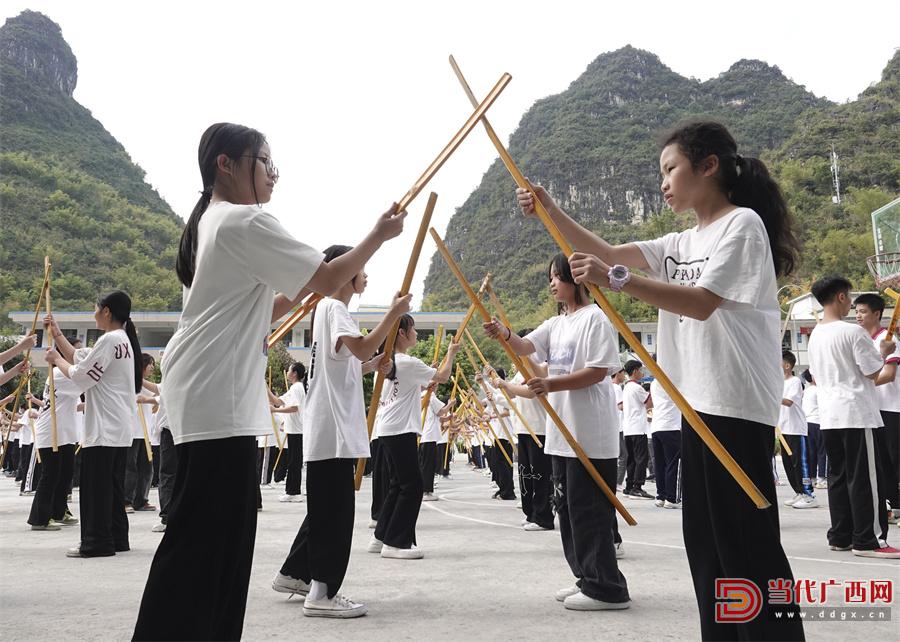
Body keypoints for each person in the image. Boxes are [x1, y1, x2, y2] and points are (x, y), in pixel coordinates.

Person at [520, 120, 804, 638]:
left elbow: (700, 303)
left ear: (708, 166)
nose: (664, 182)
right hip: (693, 408)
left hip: (735, 408)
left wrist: (618, 281)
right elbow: (605, 254)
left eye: (670, 169)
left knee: (748, 546)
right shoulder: (679, 240)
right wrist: (549, 209)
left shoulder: (742, 226)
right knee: (707, 547)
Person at [133, 123, 407, 639]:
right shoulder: (242, 221)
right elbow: (328, 277)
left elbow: (251, 309)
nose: (271, 173)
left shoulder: (213, 223)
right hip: (217, 399)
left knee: (219, 541)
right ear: (226, 164)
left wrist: (295, 294)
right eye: (263, 161)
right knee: (203, 544)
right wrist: (378, 235)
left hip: (206, 395)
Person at [484, 252, 628, 611]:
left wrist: (551, 384)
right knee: (566, 507)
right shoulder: (556, 323)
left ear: (575, 279)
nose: (551, 283)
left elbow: (598, 371)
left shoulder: (595, 319)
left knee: (589, 510)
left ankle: (607, 588)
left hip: (590, 434)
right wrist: (503, 333)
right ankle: (585, 577)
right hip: (561, 435)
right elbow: (524, 346)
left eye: (556, 276)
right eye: (549, 277)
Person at [273, 244, 411, 618]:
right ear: (345, 273)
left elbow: (346, 363)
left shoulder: (325, 311)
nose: (364, 275)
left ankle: (300, 577)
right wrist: (393, 314)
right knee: (336, 516)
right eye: (360, 269)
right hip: (333, 431)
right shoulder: (334, 308)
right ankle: (323, 593)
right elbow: (364, 345)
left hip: (328, 429)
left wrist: (371, 366)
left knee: (326, 511)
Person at [44, 290, 142, 559]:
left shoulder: (110, 340)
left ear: (107, 311)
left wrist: (55, 361)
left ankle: (96, 541)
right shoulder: (121, 340)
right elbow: (81, 357)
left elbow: (81, 375)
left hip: (103, 427)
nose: (94, 313)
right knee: (112, 488)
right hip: (119, 427)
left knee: (95, 490)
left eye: (96, 308)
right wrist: (58, 334)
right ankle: (116, 537)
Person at [808, 277, 898, 558]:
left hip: (829, 416)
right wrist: (883, 352)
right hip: (857, 414)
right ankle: (869, 540)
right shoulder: (852, 333)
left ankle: (841, 534)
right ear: (841, 297)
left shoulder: (816, 334)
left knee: (838, 476)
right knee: (866, 478)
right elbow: (873, 373)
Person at [369, 315, 459, 558]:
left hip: (388, 429)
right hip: (400, 430)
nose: (417, 334)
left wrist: (423, 385)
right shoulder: (406, 362)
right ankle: (396, 543)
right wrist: (451, 352)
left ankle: (380, 537)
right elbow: (442, 376)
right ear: (401, 333)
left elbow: (405, 388)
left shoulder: (390, 363)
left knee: (398, 484)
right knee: (412, 485)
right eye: (414, 329)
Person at [853, 293, 899, 523]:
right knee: (881, 460)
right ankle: (892, 503)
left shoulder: (889, 340)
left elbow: (889, 375)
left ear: (877, 314)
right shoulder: (862, 341)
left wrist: (861, 384)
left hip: (892, 408)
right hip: (872, 409)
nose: (858, 315)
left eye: (862, 311)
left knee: (893, 458)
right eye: (856, 311)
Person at [27, 368, 80, 530]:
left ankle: (58, 511)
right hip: (50, 431)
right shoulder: (59, 373)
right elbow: (88, 383)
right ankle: (39, 518)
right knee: (51, 475)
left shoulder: (68, 374)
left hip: (65, 432)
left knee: (65, 474)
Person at [779, 350, 816, 508]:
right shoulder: (779, 383)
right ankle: (799, 492)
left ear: (787, 365)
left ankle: (809, 495)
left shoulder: (794, 381)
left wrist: (772, 394)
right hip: (783, 429)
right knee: (788, 464)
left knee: (799, 463)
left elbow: (788, 402)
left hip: (795, 429)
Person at [124, 354, 156, 513]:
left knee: (147, 467)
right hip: (132, 431)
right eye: (150, 364)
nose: (152, 367)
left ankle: (141, 500)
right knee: (130, 467)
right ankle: (126, 500)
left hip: (145, 432)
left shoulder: (146, 384)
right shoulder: (130, 382)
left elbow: (155, 402)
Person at [271, 362, 307, 502]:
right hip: (293, 430)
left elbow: (294, 408)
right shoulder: (294, 388)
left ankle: (294, 492)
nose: (287, 372)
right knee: (292, 461)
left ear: (295, 373)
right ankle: (291, 491)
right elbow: (277, 401)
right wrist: (265, 388)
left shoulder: (297, 387)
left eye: (289, 370)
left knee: (294, 462)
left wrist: (275, 410)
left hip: (297, 430)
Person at [621, 360, 652, 499]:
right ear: (634, 371)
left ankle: (629, 486)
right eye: (640, 370)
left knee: (632, 459)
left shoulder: (626, 387)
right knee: (641, 459)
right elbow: (649, 403)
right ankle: (637, 486)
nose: (642, 372)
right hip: (638, 428)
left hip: (628, 428)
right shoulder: (637, 387)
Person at [649, 378, 682, 508]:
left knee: (660, 464)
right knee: (673, 464)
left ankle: (660, 496)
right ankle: (671, 499)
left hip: (656, 426)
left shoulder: (654, 382)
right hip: (671, 427)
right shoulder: (674, 380)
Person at [800, 369, 826, 489]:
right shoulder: (818, 390)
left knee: (811, 452)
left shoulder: (806, 391)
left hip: (807, 423)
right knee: (822, 451)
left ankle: (812, 478)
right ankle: (821, 478)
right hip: (818, 422)